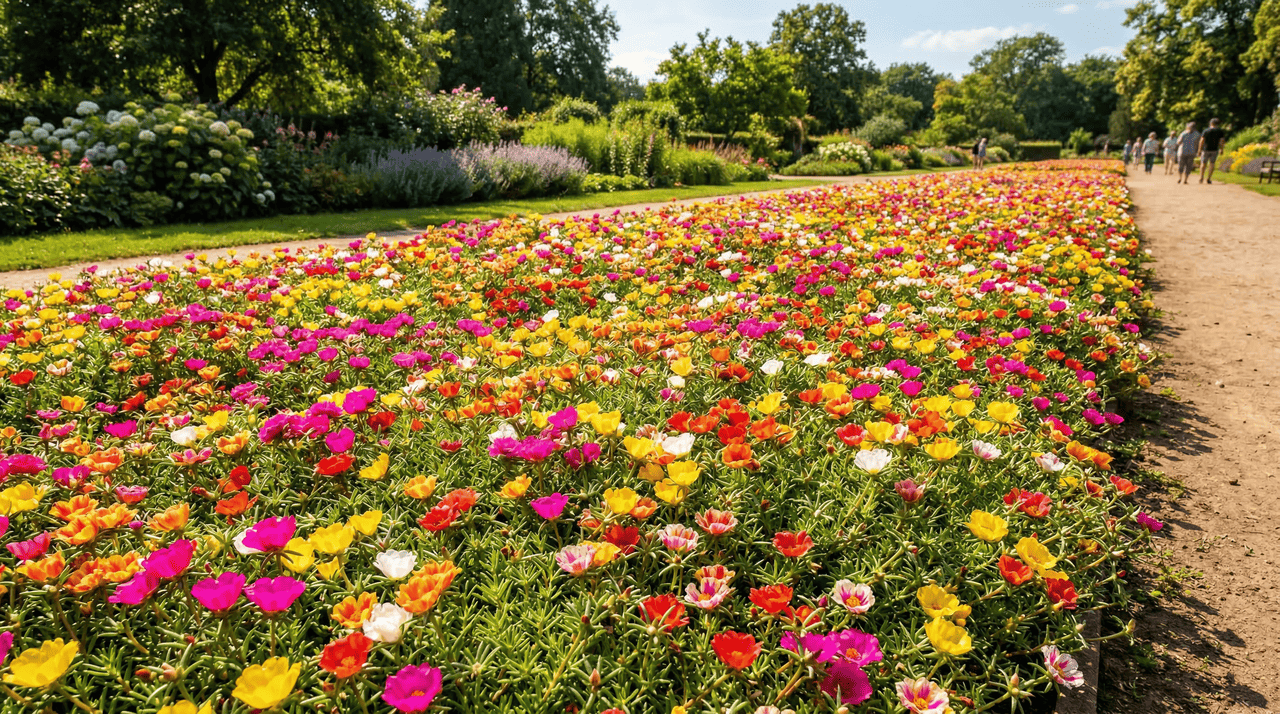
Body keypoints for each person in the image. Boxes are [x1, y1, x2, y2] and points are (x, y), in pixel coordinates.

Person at [1198, 118, 1225, 184]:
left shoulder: (1206, 131)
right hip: (1214, 150)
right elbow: (1221, 141)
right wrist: (1221, 149)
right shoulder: (1220, 131)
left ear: (1211, 123)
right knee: (1212, 164)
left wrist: (1199, 149)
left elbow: (1202, 141)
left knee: (1203, 163)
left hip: (1205, 149)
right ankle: (1209, 178)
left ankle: (1201, 177)